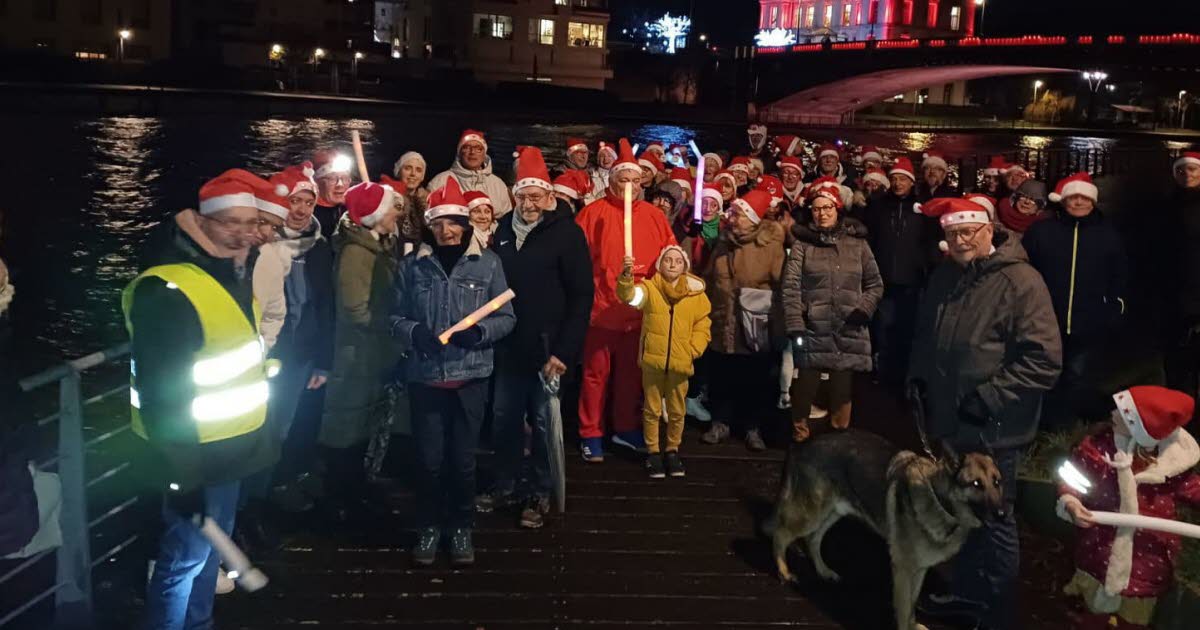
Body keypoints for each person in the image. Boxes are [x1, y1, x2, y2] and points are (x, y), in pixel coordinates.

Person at [128, 170, 278, 629]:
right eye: (230, 221)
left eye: (250, 222)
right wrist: (181, 474)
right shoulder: (168, 288)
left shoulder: (231, 269)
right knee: (183, 558)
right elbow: (161, 391)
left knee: (209, 551)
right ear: (202, 221)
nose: (244, 232)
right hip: (195, 453)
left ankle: (198, 623)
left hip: (232, 447)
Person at [909, 196, 1062, 630]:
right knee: (963, 511)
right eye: (951, 233)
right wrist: (918, 378)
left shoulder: (1021, 282)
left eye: (967, 231)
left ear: (988, 229)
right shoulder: (946, 276)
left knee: (995, 520)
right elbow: (927, 334)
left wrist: (990, 398)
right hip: (952, 422)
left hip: (995, 428)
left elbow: (1043, 359)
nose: (959, 240)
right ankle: (967, 593)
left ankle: (998, 613)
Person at [391, 176, 515, 566]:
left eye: (454, 222)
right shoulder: (413, 266)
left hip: (470, 377)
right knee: (428, 460)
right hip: (426, 377)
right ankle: (429, 526)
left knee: (462, 461)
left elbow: (507, 316)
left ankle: (461, 526)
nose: (447, 231)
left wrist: (480, 332)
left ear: (466, 224)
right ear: (431, 225)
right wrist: (414, 333)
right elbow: (391, 315)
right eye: (440, 223)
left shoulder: (489, 263)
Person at [487, 146, 593, 528]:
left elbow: (582, 295)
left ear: (550, 197)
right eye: (523, 195)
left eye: (537, 195)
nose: (529, 202)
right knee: (504, 419)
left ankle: (540, 490)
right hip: (507, 346)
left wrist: (565, 350)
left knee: (545, 421)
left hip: (547, 349)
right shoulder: (499, 231)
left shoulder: (567, 234)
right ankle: (506, 482)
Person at [1057, 385, 1200, 630]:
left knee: (1133, 619)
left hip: (1147, 564)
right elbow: (1073, 480)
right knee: (1091, 612)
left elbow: (1195, 491)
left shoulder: (1171, 468)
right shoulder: (1098, 450)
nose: (1113, 414)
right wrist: (1071, 502)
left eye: (1124, 414)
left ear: (1143, 430)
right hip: (1099, 552)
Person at [575, 139, 678, 462]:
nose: (630, 186)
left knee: (632, 374)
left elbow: (669, 254)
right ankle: (590, 432)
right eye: (623, 180)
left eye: (635, 180)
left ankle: (625, 426)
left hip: (639, 310)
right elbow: (578, 262)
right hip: (602, 310)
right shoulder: (593, 214)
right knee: (595, 375)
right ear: (612, 180)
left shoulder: (653, 216)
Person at [248, 162, 334, 518]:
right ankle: (253, 501)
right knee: (259, 431)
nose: (300, 210)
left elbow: (326, 304)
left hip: (301, 355)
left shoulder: (319, 247)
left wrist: (324, 359)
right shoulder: (260, 248)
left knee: (288, 426)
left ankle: (276, 488)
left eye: (308, 203)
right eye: (294, 202)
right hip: (265, 353)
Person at [319, 181, 403, 524]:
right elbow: (355, 308)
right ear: (377, 214)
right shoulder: (357, 253)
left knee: (360, 419)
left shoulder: (375, 246)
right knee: (348, 423)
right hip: (356, 353)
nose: (398, 212)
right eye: (392, 208)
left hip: (369, 352)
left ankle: (353, 488)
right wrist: (390, 324)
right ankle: (342, 496)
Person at [1024, 173, 1128, 428]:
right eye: (1073, 197)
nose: (1079, 202)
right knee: (1044, 374)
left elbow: (1120, 274)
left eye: (1084, 197)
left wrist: (1115, 307)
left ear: (1093, 201)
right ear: (1064, 200)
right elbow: (1025, 269)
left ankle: (1067, 428)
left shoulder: (1108, 234)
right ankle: (1040, 426)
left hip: (1088, 320)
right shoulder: (1042, 231)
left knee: (1077, 376)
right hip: (1046, 319)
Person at [782, 184, 882, 443]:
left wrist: (864, 309)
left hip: (847, 324)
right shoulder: (803, 245)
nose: (821, 214)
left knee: (842, 386)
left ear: (837, 209)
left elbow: (875, 283)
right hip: (812, 324)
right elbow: (791, 286)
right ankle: (800, 434)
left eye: (827, 207)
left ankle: (837, 438)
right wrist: (795, 321)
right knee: (805, 382)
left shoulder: (858, 245)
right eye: (816, 209)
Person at [702, 189, 786, 451]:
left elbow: (782, 285)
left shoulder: (770, 247)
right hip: (722, 319)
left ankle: (752, 427)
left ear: (752, 218)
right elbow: (708, 278)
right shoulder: (723, 243)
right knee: (721, 374)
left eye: (738, 214)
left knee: (754, 378)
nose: (732, 217)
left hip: (754, 325)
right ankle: (721, 422)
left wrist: (777, 325)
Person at [617, 246, 711, 478]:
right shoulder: (649, 289)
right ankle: (653, 452)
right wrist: (627, 278)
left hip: (681, 362)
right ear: (660, 264)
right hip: (653, 361)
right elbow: (629, 297)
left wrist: (693, 349)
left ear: (684, 266)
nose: (672, 264)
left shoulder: (696, 296)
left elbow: (703, 324)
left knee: (677, 410)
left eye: (677, 261)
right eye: (667, 260)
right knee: (651, 409)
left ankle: (672, 450)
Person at [860, 157, 937, 386]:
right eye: (893, 179)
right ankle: (882, 368)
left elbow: (930, 240)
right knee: (882, 325)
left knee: (907, 325)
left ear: (911, 182)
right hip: (883, 276)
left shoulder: (924, 207)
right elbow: (870, 237)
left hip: (912, 278)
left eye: (902, 179)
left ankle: (903, 370)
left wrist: (925, 265)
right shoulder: (880, 206)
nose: (897, 183)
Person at [1164, 152, 1200, 404]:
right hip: (1174, 293)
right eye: (1182, 170)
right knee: (1176, 360)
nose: (1187, 175)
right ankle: (1179, 410)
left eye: (1193, 170)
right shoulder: (1166, 205)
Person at [427, 129, 514, 217]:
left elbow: (507, 219)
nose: (472, 152)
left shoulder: (498, 184)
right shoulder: (440, 182)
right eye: (467, 147)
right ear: (459, 153)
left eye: (478, 149)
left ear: (485, 154)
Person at [312, 149, 354, 240]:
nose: (340, 185)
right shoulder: (308, 218)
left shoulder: (352, 210)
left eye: (345, 178)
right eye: (332, 178)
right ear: (317, 182)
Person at [393, 151, 430, 218]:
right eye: (407, 168)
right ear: (398, 172)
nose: (413, 173)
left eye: (418, 170)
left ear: (422, 177)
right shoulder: (389, 199)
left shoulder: (428, 202)